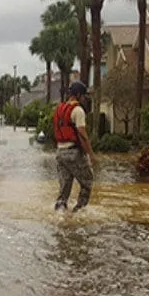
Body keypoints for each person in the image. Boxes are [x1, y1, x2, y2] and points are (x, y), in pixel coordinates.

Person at [52, 80, 95, 211]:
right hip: (74, 152)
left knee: (64, 187)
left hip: (60, 153)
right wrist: (91, 154)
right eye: (83, 95)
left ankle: (60, 211)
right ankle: (79, 211)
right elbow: (82, 134)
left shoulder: (59, 109)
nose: (85, 98)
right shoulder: (78, 110)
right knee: (87, 182)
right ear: (78, 95)